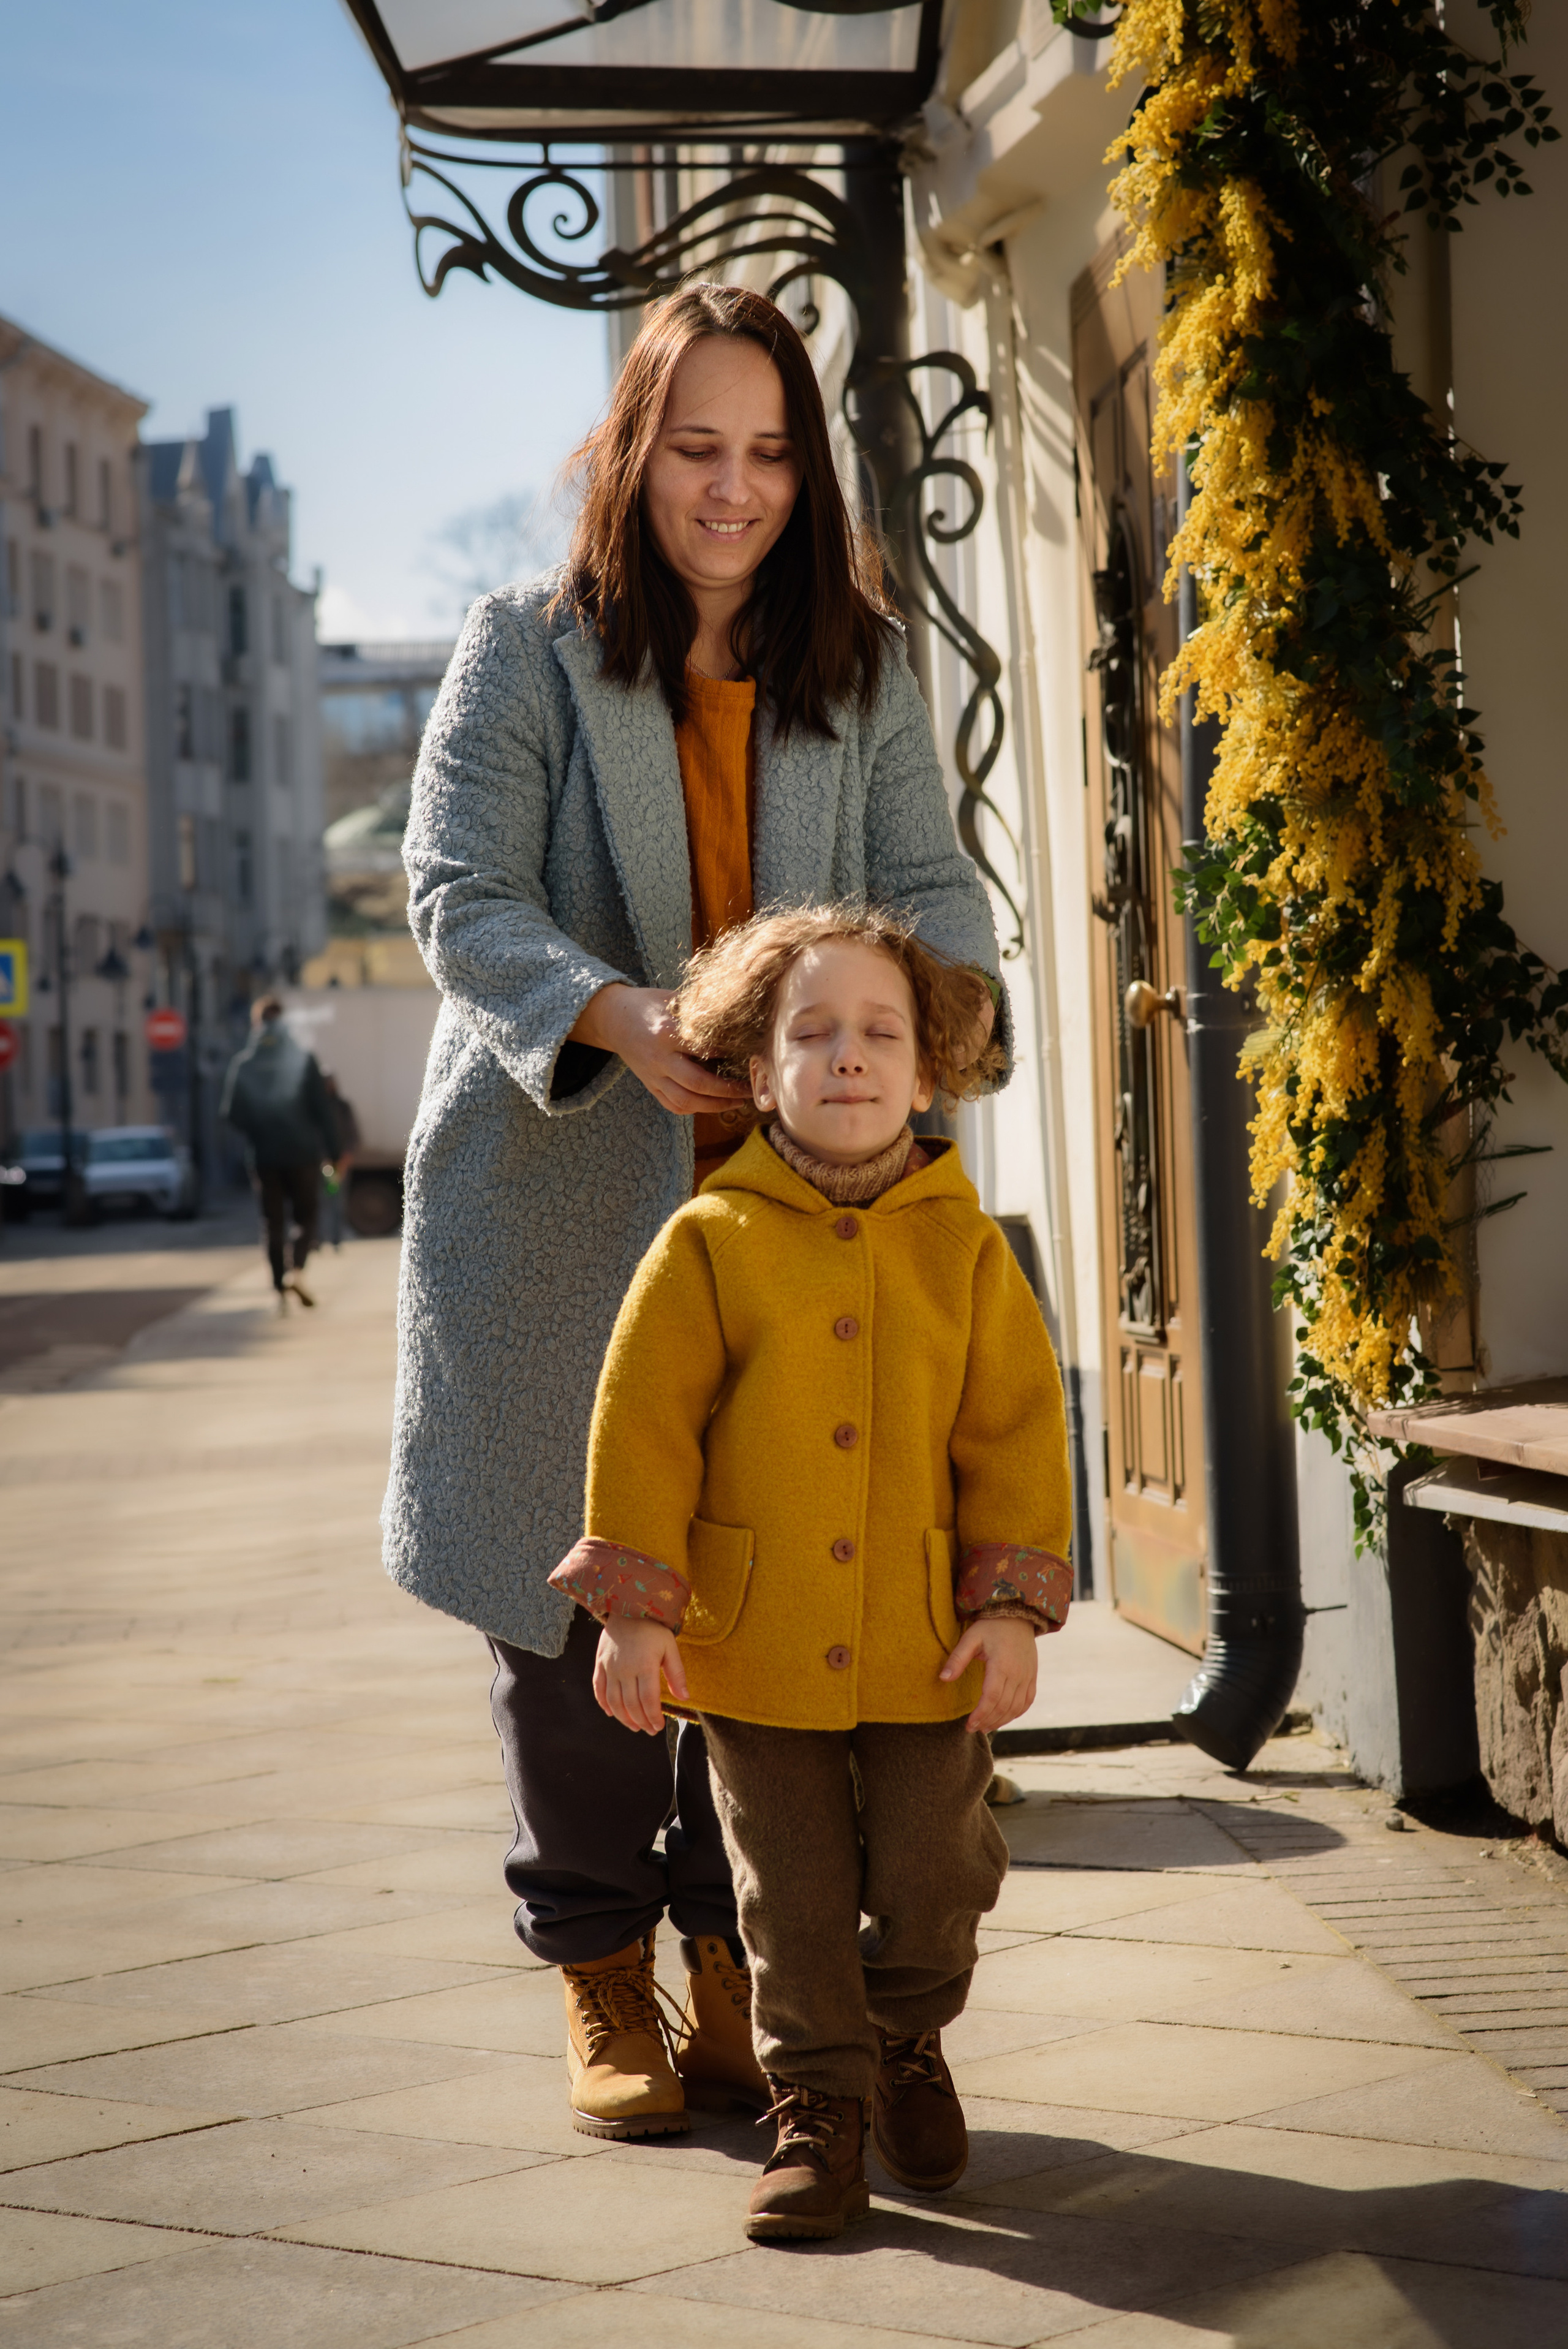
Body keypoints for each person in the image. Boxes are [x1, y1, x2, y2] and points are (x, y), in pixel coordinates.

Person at [383, 281, 1011, 2145]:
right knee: (574, 1625)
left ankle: (746, 1974)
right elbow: (455, 887)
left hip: (800, 1216)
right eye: (694, 448)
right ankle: (597, 1972)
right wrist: (616, 1014)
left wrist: (913, 1032)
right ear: (631, 451)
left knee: (779, 1602)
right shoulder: (526, 648)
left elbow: (934, 892)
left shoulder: (866, 663)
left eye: (765, 452)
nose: (730, 489)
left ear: (804, 470)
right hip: (557, 1194)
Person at [549, 904, 1072, 2241]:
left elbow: (1012, 1436)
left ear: (926, 1065)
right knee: (781, 1891)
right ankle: (818, 2104)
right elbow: (645, 1434)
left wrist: (1009, 1609)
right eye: (813, 1032)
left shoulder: (965, 1247)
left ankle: (907, 2039)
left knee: (933, 1866)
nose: (849, 1055)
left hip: (923, 1639)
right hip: (757, 1639)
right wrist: (635, 1618)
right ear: (758, 1064)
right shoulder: (708, 1243)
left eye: (879, 1032)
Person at [221, 996, 337, 1311]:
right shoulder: (302, 1059)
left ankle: (277, 1286)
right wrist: (334, 1150)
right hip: (303, 1154)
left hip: (264, 1157)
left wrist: (258, 1127)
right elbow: (322, 1110)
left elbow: (231, 1114)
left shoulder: (244, 1065)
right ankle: (296, 1271)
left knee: (271, 1222)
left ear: (257, 1024)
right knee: (307, 1217)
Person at [321, 1074, 360, 1249]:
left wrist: (345, 1159)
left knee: (338, 1203)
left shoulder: (342, 1107)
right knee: (320, 1203)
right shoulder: (317, 1108)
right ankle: (318, 1240)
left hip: (339, 1164)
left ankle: (336, 1240)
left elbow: (353, 1135)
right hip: (321, 1163)